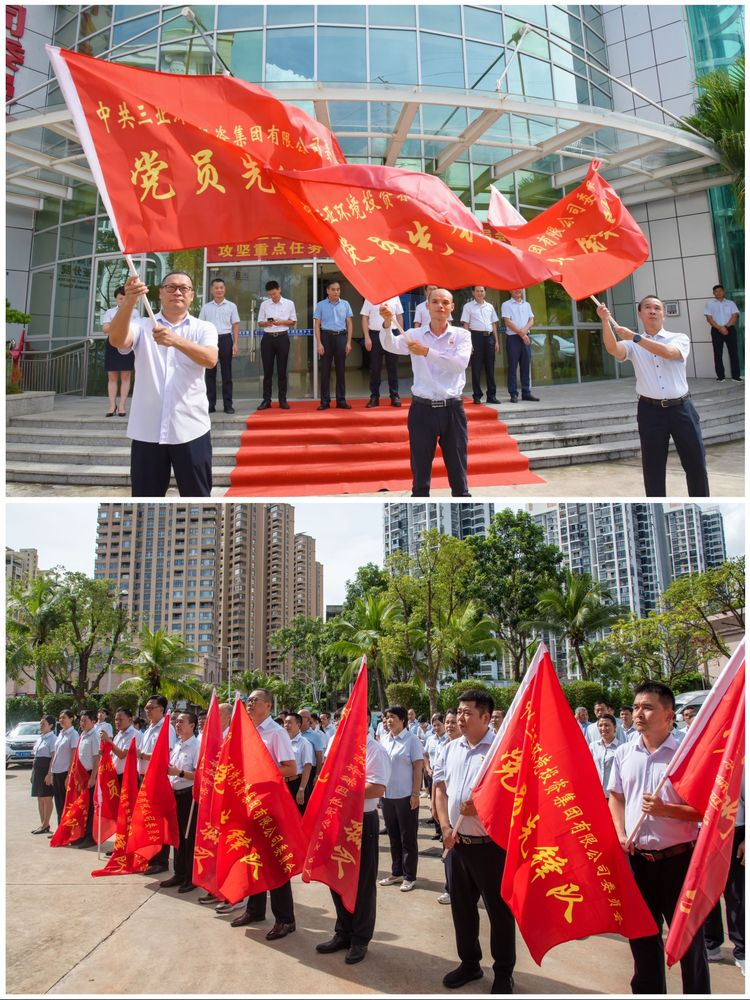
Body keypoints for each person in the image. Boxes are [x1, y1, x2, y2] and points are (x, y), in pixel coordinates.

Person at [608, 680, 711, 994]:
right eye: (636, 706)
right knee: (642, 939)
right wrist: (620, 832)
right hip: (638, 862)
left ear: (669, 715)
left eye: (648, 707)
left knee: (688, 943)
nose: (639, 713)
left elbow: (705, 810)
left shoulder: (686, 754)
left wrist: (666, 810)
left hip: (679, 861)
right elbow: (616, 797)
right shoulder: (625, 753)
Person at [107, 272, 219, 497]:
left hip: (191, 429)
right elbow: (117, 340)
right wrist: (129, 301)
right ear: (160, 293)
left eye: (184, 288)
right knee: (145, 502)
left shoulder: (204, 328)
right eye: (171, 287)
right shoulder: (141, 325)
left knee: (198, 500)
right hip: (147, 431)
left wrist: (175, 340)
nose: (177, 292)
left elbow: (210, 359)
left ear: (192, 295)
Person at [434, 690, 516, 993]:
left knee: (498, 911)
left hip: (490, 847)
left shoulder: (501, 750)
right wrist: (444, 826)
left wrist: (481, 809)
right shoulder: (450, 748)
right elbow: (440, 789)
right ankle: (469, 963)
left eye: (467, 712)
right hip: (457, 843)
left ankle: (504, 971)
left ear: (485, 717)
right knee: (462, 908)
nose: (460, 717)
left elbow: (514, 798)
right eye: (459, 711)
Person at [597, 297, 710, 498]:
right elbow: (613, 349)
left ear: (663, 314)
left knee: (696, 465)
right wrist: (605, 321)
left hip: (682, 409)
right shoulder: (632, 344)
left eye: (657, 308)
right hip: (650, 412)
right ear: (640, 313)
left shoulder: (678, 338)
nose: (652, 311)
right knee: (653, 470)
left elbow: (669, 353)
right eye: (647, 307)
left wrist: (635, 338)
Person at [316, 709, 391, 965]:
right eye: (341, 718)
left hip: (360, 822)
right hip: (336, 818)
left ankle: (360, 938)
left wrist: (342, 790)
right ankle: (343, 932)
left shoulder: (374, 750)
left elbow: (377, 788)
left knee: (362, 882)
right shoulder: (335, 743)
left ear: (365, 720)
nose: (342, 723)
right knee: (336, 875)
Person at [380, 289, 472, 497]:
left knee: (458, 472)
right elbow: (390, 345)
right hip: (422, 410)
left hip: (452, 410)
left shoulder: (462, 335)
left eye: (445, 302)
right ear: (427, 306)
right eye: (435, 301)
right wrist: (387, 324)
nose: (440, 306)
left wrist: (427, 352)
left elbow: (459, 364)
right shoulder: (414, 335)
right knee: (420, 474)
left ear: (452, 307)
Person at [231, 690, 297, 938]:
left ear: (268, 705)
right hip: (248, 803)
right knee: (253, 857)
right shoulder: (246, 731)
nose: (249, 703)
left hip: (269, 806)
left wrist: (260, 775)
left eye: (254, 700)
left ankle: (285, 919)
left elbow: (291, 768)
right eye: (248, 700)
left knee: (275, 862)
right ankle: (255, 910)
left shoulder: (276, 732)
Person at [378, 706, 424, 893]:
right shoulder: (384, 740)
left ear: (403, 720)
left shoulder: (412, 740)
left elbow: (418, 768)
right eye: (387, 717)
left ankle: (409, 876)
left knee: (408, 837)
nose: (389, 720)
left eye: (393, 717)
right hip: (387, 796)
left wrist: (415, 794)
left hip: (405, 796)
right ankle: (396, 872)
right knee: (393, 836)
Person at [704, 785, 744, 974]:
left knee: (736, 895)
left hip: (733, 831)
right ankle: (711, 944)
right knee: (705, 893)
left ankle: (742, 951)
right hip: (703, 830)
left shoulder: (738, 766)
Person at [160, 711, 201, 893]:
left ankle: (190, 877)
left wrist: (180, 773)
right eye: (176, 722)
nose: (177, 725)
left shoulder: (197, 747)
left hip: (188, 797)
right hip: (173, 795)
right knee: (176, 836)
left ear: (192, 725)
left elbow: (200, 775)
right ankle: (179, 873)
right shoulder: (177, 745)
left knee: (188, 838)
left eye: (182, 722)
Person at [136, 695, 177, 874]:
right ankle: (150, 856)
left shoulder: (166, 728)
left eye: (151, 707)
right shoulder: (149, 729)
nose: (148, 711)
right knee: (148, 820)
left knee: (158, 820)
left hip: (157, 780)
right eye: (146, 708)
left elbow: (164, 755)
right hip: (144, 778)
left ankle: (161, 860)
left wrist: (141, 755)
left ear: (161, 709)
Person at [199, 276, 240, 414]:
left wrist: (235, 343)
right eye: (216, 288)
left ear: (225, 289)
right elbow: (201, 326)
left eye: (221, 287)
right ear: (212, 290)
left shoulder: (232, 306)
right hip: (209, 341)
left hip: (226, 340)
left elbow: (235, 325)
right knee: (210, 374)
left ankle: (228, 405)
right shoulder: (206, 307)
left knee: (226, 374)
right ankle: (210, 404)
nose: (219, 290)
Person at [256, 279, 297, 410]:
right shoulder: (264, 304)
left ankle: (282, 400)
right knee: (267, 371)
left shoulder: (289, 303)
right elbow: (260, 322)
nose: (272, 296)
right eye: (270, 294)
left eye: (274, 293)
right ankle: (266, 400)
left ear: (279, 290)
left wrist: (282, 322)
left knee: (282, 370)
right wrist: (267, 323)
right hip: (267, 339)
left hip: (282, 338)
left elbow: (293, 321)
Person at [313, 279, 353, 410]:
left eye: (338, 289)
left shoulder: (345, 304)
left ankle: (341, 400)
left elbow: (349, 324)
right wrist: (319, 343)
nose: (336, 292)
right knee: (325, 371)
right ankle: (325, 401)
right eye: (333, 289)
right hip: (326, 337)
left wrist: (348, 342)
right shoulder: (320, 305)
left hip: (341, 337)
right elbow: (317, 325)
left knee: (341, 370)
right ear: (328, 291)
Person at [360, 296, 404, 407]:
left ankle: (394, 396)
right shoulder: (370, 297)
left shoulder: (395, 297)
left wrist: (400, 336)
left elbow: (399, 316)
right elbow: (365, 317)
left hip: (392, 333)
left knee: (392, 367)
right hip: (375, 335)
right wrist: (367, 337)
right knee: (375, 368)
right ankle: (374, 397)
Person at [461, 285, 500, 405]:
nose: (480, 293)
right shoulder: (468, 306)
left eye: (482, 291)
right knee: (476, 368)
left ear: (485, 293)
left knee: (490, 368)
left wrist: (496, 341)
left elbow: (493, 324)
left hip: (489, 338)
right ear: (473, 292)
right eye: (477, 291)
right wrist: (469, 343)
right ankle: (477, 395)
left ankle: (491, 395)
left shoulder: (490, 306)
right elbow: (466, 325)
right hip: (476, 338)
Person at [102, 285, 136, 418]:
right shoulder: (110, 312)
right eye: (120, 298)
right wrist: (121, 325)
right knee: (112, 376)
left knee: (126, 376)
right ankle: (112, 405)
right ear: (116, 299)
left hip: (128, 345)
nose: (123, 301)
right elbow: (105, 329)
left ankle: (122, 405)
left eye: (125, 298)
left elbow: (135, 329)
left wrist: (115, 325)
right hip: (112, 344)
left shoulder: (135, 312)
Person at [501, 288, 539, 403]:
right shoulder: (506, 304)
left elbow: (531, 320)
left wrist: (524, 332)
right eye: (515, 289)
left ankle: (526, 393)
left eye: (519, 288)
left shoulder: (527, 304)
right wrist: (522, 334)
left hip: (525, 337)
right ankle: (513, 393)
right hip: (513, 338)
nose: (518, 290)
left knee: (526, 366)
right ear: (510, 291)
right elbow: (507, 322)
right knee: (512, 367)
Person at [72, 709, 101, 848]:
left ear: (93, 721)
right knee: (82, 806)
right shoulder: (83, 735)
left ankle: (90, 837)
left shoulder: (94, 736)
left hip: (89, 775)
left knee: (90, 808)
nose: (82, 723)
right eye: (81, 720)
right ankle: (81, 834)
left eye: (85, 720)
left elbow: (97, 758)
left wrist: (93, 777)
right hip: (81, 776)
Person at [704, 284, 742, 383]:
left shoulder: (731, 303)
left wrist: (725, 327)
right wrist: (720, 328)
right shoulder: (710, 304)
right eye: (716, 291)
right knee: (717, 353)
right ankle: (720, 377)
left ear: (723, 291)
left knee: (733, 353)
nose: (718, 293)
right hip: (716, 330)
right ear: (713, 293)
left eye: (720, 291)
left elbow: (734, 316)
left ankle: (736, 376)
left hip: (730, 329)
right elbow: (709, 319)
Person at [48, 709, 79, 829]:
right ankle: (60, 828)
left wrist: (69, 774)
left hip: (65, 772)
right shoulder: (61, 733)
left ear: (71, 719)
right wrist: (51, 772)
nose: (61, 720)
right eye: (60, 718)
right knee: (58, 803)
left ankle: (67, 829)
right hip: (56, 772)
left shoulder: (73, 734)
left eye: (64, 717)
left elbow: (73, 755)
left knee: (66, 803)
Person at [283, 712, 315, 813]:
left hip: (296, 783)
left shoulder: (304, 743)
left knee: (298, 814)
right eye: (285, 722)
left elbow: (307, 767)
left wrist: (301, 789)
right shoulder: (283, 742)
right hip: (283, 784)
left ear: (298, 724)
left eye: (289, 722)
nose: (286, 725)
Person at [30, 715, 56, 835]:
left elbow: (53, 757)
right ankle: (43, 824)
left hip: (46, 770)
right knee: (39, 797)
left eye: (43, 724)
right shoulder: (40, 738)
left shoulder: (53, 739)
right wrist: (32, 772)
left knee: (47, 797)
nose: (41, 726)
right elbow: (35, 757)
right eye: (40, 724)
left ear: (50, 725)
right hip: (38, 770)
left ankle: (46, 823)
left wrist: (49, 774)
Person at [589, 713, 621, 798]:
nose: (603, 728)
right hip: (597, 793)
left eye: (607, 725)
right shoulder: (593, 746)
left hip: (614, 795)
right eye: (600, 725)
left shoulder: (621, 747)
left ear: (615, 727)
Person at [109, 707, 142, 786]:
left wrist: (108, 741)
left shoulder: (134, 734)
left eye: (120, 719)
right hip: (115, 776)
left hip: (127, 777)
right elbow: (112, 755)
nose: (117, 722)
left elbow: (122, 755)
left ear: (130, 720)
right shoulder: (118, 736)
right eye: (116, 719)